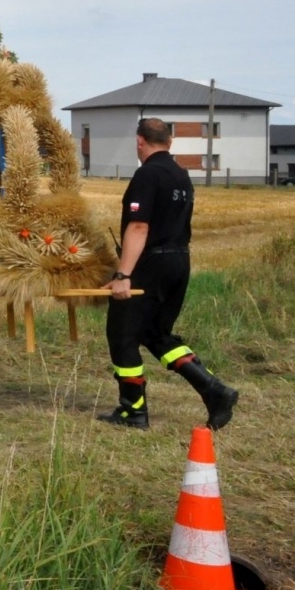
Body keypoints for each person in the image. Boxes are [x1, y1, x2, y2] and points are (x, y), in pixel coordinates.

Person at [100, 118, 238, 431]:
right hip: (180, 261)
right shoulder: (181, 175)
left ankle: (132, 411)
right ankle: (215, 392)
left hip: (152, 265)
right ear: (170, 142)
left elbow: (139, 225)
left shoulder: (147, 174)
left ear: (140, 141)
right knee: (156, 334)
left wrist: (123, 274)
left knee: (122, 334)